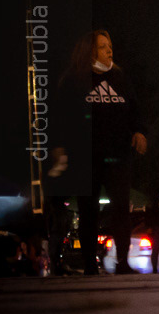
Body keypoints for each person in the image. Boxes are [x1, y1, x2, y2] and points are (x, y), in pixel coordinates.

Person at [51, 30, 148, 275]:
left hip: (118, 155)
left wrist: (139, 132)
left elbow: (135, 110)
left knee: (120, 208)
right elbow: (60, 119)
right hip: (86, 157)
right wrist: (61, 148)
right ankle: (89, 265)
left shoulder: (120, 78)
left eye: (110, 45)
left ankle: (122, 262)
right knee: (88, 210)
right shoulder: (73, 81)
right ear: (89, 52)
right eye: (103, 47)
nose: (109, 50)